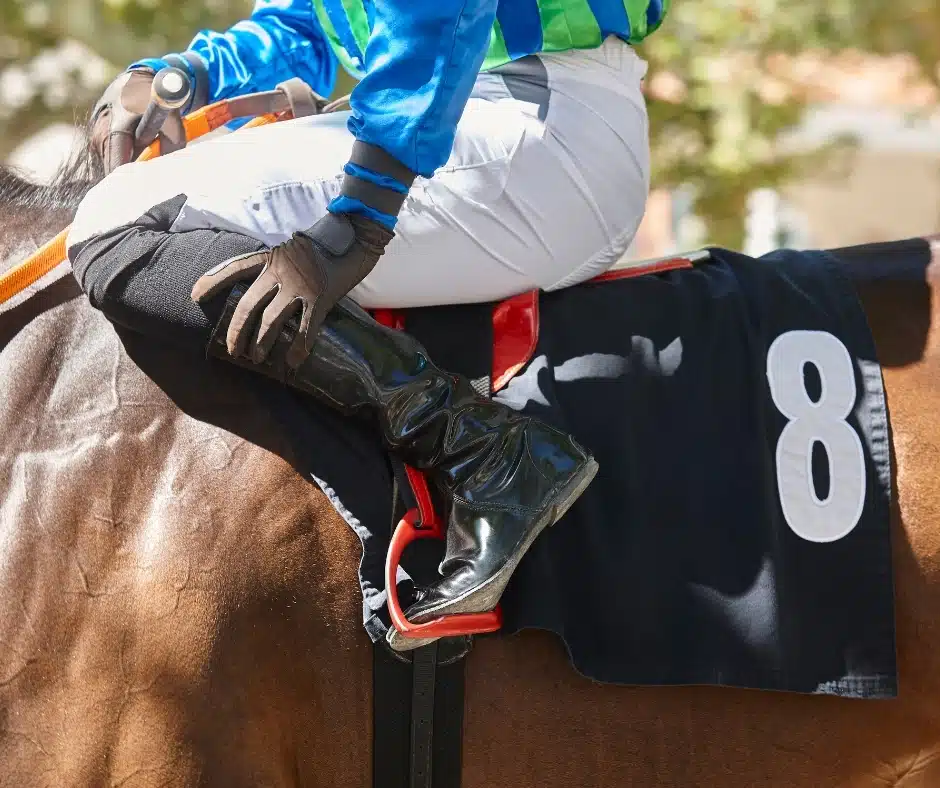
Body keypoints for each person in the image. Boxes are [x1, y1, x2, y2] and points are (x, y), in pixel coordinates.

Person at [69, 0, 668, 649]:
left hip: (528, 123)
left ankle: (484, 452)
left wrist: (362, 214)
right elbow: (317, 21)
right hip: (511, 111)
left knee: (118, 219)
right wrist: (189, 77)